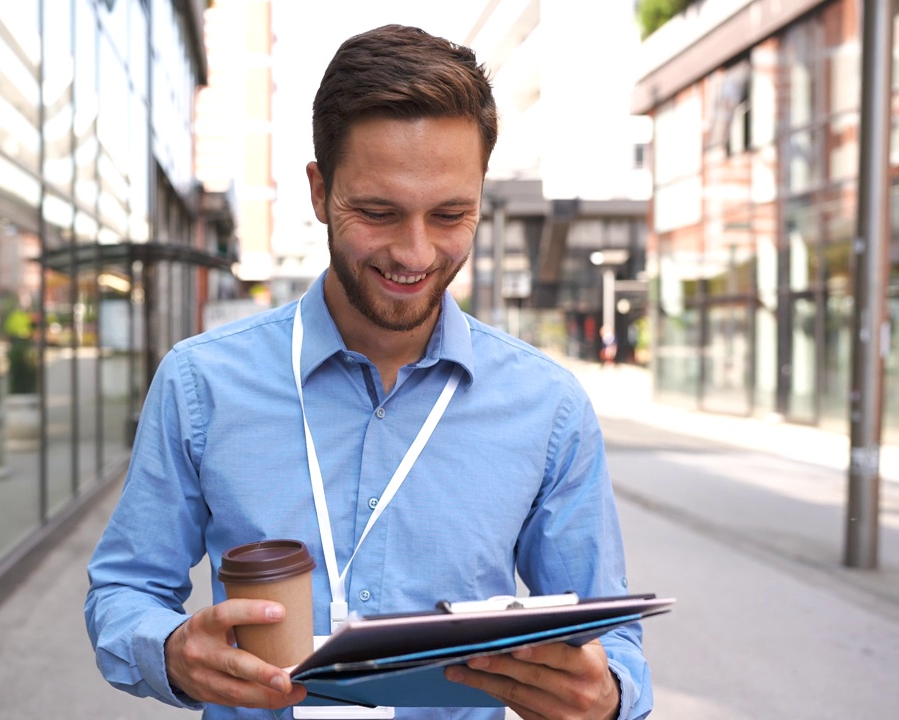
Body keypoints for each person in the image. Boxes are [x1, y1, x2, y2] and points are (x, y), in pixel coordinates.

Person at [85, 24, 652, 720]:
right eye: (378, 212)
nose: (415, 254)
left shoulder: (549, 407)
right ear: (320, 192)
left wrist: (609, 695)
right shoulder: (199, 385)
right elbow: (123, 590)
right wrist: (170, 650)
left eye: (451, 214)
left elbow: (609, 639)